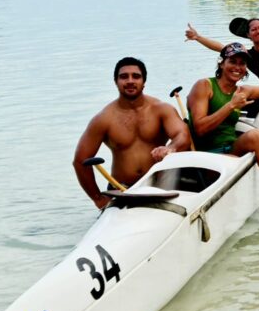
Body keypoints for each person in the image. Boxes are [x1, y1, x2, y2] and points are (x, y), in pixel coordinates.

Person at [186, 43, 259, 215]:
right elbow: (200, 128)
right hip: (206, 157)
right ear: (222, 63)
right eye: (233, 61)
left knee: (257, 136)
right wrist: (231, 105)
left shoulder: (243, 91)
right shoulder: (204, 86)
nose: (237, 67)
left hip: (231, 148)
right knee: (234, 160)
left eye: (242, 64)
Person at [74, 57, 191, 210]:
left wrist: (171, 148)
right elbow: (80, 160)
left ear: (144, 81)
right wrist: (98, 198)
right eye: (124, 76)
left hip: (162, 186)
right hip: (122, 190)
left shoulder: (162, 109)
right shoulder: (103, 119)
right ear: (116, 81)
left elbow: (183, 135)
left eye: (136, 76)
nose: (130, 81)